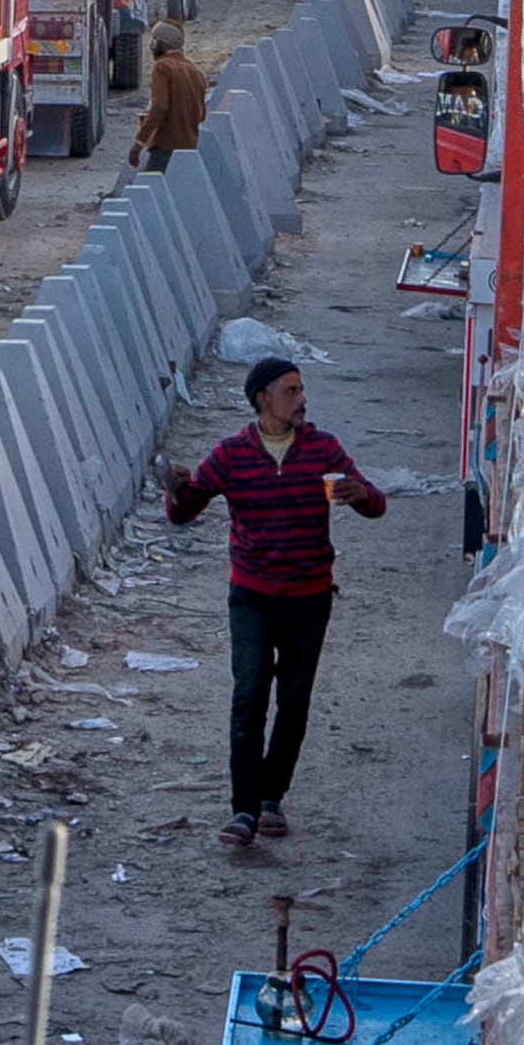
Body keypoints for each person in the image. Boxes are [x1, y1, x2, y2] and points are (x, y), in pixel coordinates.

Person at [165, 356, 385, 844]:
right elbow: (186, 510)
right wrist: (175, 489)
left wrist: (359, 493)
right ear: (263, 399)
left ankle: (271, 799)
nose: (302, 399)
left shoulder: (323, 450)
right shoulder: (231, 455)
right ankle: (243, 810)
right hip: (252, 597)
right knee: (249, 697)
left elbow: (376, 504)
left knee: (293, 703)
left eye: (302, 390)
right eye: (291, 391)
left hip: (310, 598)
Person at [131, 26, 207, 171]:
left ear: (162, 44)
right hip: (190, 148)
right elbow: (201, 114)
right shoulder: (195, 71)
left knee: (152, 185)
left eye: (154, 41)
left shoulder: (162, 67)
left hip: (165, 148)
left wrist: (140, 142)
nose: (152, 47)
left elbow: (160, 107)